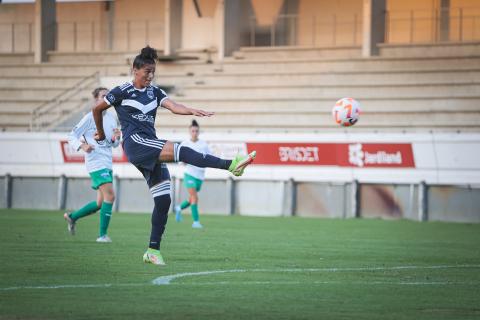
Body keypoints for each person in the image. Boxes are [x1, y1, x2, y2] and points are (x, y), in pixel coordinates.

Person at [92, 46, 256, 266]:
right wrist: (101, 134)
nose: (150, 76)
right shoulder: (121, 91)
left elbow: (173, 105)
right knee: (181, 150)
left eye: (153, 72)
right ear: (135, 69)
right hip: (136, 143)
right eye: (147, 72)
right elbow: (97, 109)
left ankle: (152, 251)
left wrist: (191, 110)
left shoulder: (155, 92)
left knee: (163, 201)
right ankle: (231, 165)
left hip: (148, 145)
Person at [64, 87, 121, 243]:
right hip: (95, 162)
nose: (107, 98)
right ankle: (102, 236)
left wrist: (117, 138)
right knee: (111, 196)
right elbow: (71, 135)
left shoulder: (111, 119)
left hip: (107, 162)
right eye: (103, 96)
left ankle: (72, 217)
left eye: (109, 96)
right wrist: (82, 146)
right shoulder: (90, 117)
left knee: (99, 203)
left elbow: (113, 145)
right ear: (96, 100)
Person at [174, 120, 209, 228]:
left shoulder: (204, 144)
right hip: (189, 174)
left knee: (192, 198)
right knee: (195, 197)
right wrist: (183, 161)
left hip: (200, 176)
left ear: (199, 132)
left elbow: (209, 157)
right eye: (193, 131)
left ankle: (179, 208)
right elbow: (179, 159)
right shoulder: (185, 144)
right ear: (190, 131)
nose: (194, 133)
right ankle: (196, 222)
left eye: (196, 131)